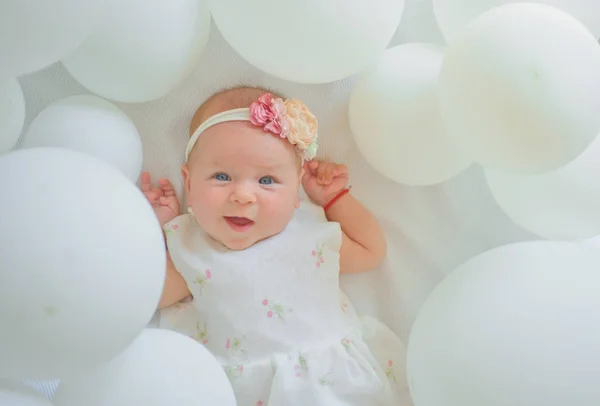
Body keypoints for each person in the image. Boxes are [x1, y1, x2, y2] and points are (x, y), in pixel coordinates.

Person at [141, 86, 409, 405]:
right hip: (244, 391)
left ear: (296, 192)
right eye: (222, 176)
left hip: (332, 383)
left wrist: (335, 198)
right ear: (189, 183)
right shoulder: (191, 247)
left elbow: (371, 251)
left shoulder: (309, 233)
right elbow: (149, 296)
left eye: (266, 181)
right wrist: (155, 229)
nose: (243, 195)